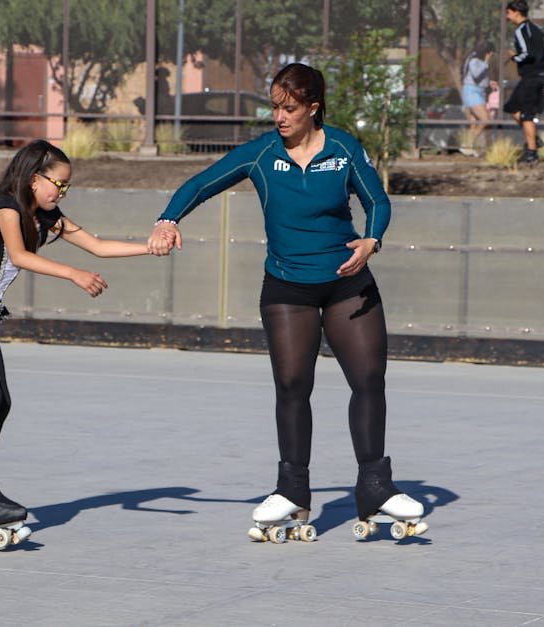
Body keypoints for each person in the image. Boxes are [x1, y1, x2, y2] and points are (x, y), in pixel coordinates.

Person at [146, 62, 427, 542]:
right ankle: (292, 491)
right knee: (293, 386)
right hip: (287, 287)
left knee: (368, 380)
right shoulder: (262, 153)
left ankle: (376, 487)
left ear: (313, 108)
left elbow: (377, 201)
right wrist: (167, 220)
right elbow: (202, 183)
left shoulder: (343, 148)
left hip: (347, 283)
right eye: (275, 106)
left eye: (289, 108)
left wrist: (372, 240)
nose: (279, 116)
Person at [0, 139, 159, 542]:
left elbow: (98, 247)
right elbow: (19, 256)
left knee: (2, 400)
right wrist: (74, 274)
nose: (62, 193)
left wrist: (150, 247)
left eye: (67, 187)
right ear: (34, 179)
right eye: (58, 184)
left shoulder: (45, 216)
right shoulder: (6, 208)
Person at [503, 0, 544, 164]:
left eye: (508, 13)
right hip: (538, 75)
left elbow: (527, 54)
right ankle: (534, 139)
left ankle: (532, 153)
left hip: (532, 77)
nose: (507, 17)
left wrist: (514, 57)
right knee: (512, 108)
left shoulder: (521, 30)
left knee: (526, 114)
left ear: (516, 12)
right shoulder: (536, 29)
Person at [460, 41, 499, 156]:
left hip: (480, 92)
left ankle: (469, 148)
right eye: (490, 53)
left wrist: (489, 83)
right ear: (487, 52)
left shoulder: (479, 61)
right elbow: (476, 73)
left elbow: (479, 78)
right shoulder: (474, 60)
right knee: (485, 119)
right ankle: (467, 144)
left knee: (474, 122)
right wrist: (486, 61)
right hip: (472, 92)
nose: (491, 55)